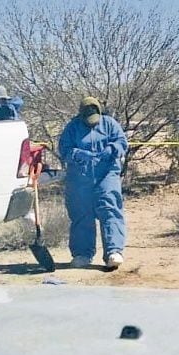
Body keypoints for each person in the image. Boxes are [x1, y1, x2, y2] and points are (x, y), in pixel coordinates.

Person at [58, 97, 129, 271]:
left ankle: (113, 251)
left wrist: (112, 149)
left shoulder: (110, 124)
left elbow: (122, 142)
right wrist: (76, 154)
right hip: (80, 178)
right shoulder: (72, 127)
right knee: (81, 213)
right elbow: (64, 149)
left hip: (107, 174)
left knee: (109, 208)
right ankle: (82, 254)